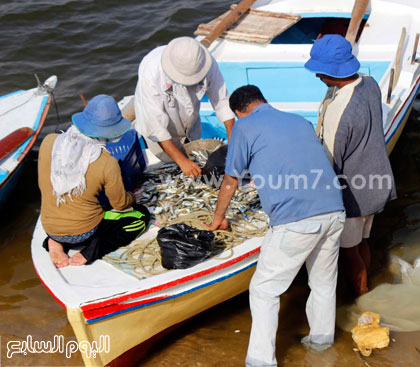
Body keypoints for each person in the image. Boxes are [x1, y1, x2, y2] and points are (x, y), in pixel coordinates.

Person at [204, 85, 345, 367]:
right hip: (335, 210)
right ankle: (321, 344)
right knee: (323, 283)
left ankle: (260, 361)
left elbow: (232, 179)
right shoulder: (298, 121)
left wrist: (219, 218)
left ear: (239, 112)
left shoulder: (244, 127)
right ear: (264, 101)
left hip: (297, 221)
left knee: (264, 290)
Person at [305, 34, 396, 295]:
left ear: (330, 72)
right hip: (376, 181)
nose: (318, 77)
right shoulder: (369, 83)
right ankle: (368, 282)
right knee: (362, 242)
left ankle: (361, 298)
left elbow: (329, 165)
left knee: (348, 252)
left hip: (354, 194)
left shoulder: (338, 115)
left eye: (320, 72)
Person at [38, 95, 150, 267]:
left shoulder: (49, 142)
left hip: (51, 228)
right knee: (140, 216)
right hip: (85, 232)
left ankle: (53, 242)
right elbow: (120, 205)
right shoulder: (106, 162)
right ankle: (90, 252)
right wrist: (133, 197)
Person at [134, 36, 235, 177]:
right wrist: (182, 161)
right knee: (171, 167)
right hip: (160, 137)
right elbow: (156, 129)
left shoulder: (205, 62)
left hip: (190, 126)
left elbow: (222, 102)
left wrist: (232, 145)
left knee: (194, 163)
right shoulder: (151, 75)